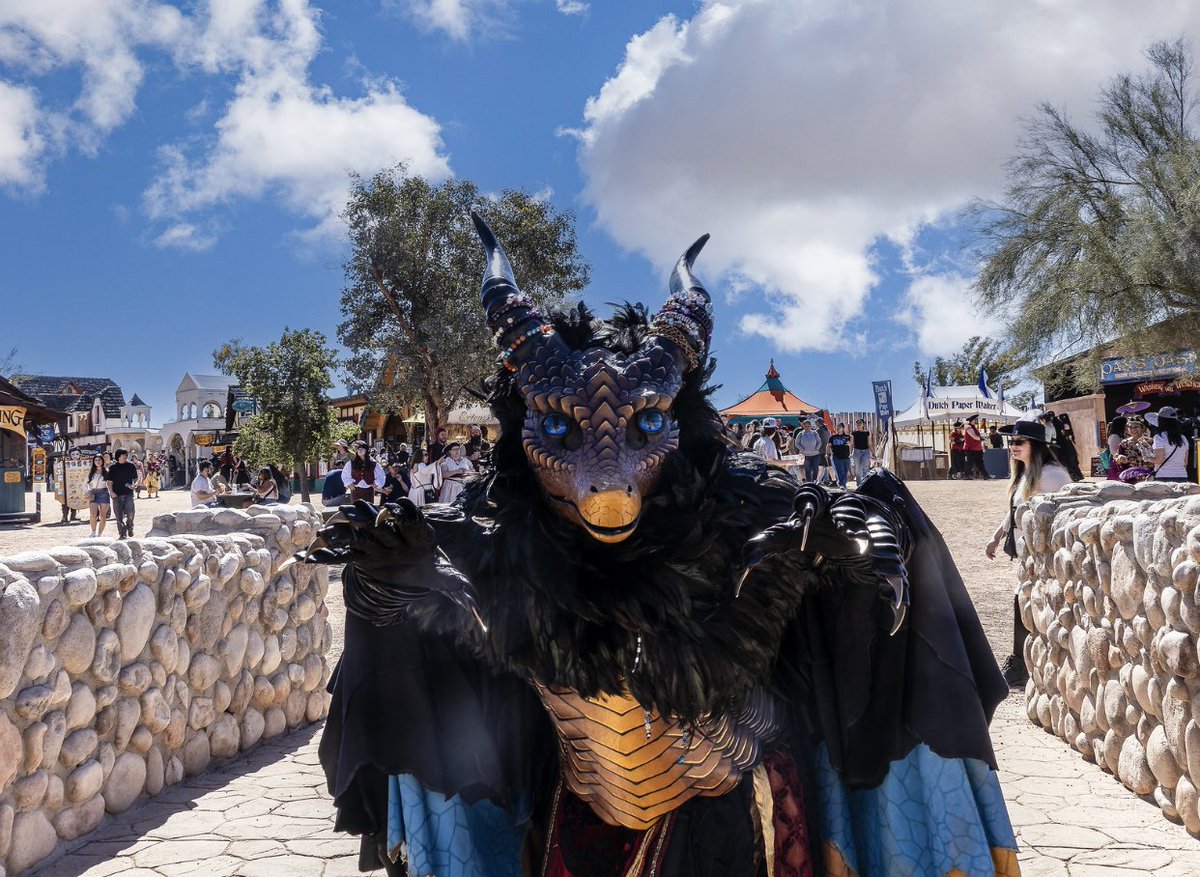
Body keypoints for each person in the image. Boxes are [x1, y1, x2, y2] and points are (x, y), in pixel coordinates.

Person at [312, 220, 1018, 875]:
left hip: (719, 817)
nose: (608, 481)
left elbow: (842, 548)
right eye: (562, 431)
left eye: (646, 421)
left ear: (674, 415)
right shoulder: (490, 531)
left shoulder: (742, 507)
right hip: (577, 819)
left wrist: (857, 544)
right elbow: (427, 625)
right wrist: (384, 579)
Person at [986, 419, 1072, 686]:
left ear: (1035, 446)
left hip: (1044, 555)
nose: (1012, 447)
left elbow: (1067, 513)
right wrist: (997, 536)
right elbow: (1015, 510)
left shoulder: (1052, 475)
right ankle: (1020, 664)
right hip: (1027, 554)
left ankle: (1020, 666)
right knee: (1022, 602)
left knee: (1029, 603)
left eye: (1018, 442)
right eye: (1011, 442)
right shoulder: (1027, 474)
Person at [1149, 406, 1190, 483]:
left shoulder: (1159, 437)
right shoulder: (1183, 438)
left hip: (1163, 476)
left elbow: (1159, 460)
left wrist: (1146, 458)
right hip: (1182, 476)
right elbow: (1185, 463)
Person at [106, 449, 139, 539]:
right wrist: (111, 492)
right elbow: (109, 482)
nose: (125, 456)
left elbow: (135, 478)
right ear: (118, 456)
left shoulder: (131, 466)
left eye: (126, 454)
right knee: (118, 515)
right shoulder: (113, 468)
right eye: (123, 455)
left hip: (128, 493)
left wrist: (135, 484)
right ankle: (122, 533)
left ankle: (130, 526)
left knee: (131, 512)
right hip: (116, 495)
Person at [86, 454, 110, 537]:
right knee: (93, 515)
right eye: (96, 460)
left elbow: (110, 483)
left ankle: (99, 534)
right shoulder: (91, 472)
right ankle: (93, 532)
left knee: (103, 515)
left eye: (99, 460)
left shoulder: (106, 471)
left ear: (102, 461)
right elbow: (85, 483)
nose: (97, 462)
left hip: (103, 492)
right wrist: (88, 491)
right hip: (93, 493)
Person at [793, 418, 823, 482]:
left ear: (810, 426)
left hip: (815, 454)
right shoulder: (801, 434)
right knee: (807, 470)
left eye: (808, 426)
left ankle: (815, 481)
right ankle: (809, 482)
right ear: (803, 426)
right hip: (805, 455)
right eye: (805, 426)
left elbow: (819, 441)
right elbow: (796, 443)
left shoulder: (815, 433)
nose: (807, 427)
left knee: (815, 469)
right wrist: (802, 448)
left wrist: (816, 448)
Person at [962, 414, 987, 479]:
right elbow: (974, 436)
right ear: (971, 420)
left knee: (980, 463)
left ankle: (985, 475)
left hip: (977, 448)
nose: (976, 420)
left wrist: (982, 438)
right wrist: (982, 438)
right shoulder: (968, 427)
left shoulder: (974, 427)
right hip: (971, 449)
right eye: (975, 419)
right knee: (969, 463)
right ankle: (966, 475)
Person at [828, 422, 852, 488]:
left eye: (840, 427)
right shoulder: (833, 437)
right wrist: (827, 454)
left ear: (843, 428)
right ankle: (842, 484)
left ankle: (843, 482)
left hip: (846, 456)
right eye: (837, 427)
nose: (838, 428)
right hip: (836, 456)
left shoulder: (847, 437)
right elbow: (829, 446)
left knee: (845, 471)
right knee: (840, 470)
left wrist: (849, 445)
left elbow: (851, 446)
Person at [851, 418, 872, 485]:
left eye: (860, 423)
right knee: (858, 469)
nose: (859, 424)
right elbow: (852, 444)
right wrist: (851, 453)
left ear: (863, 424)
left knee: (866, 468)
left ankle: (866, 484)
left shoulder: (867, 433)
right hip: (856, 451)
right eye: (857, 423)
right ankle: (859, 484)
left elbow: (869, 443)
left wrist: (873, 453)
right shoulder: (853, 433)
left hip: (865, 451)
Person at [1105, 416, 1128, 480]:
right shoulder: (1114, 437)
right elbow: (1114, 452)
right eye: (1126, 424)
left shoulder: (1122, 436)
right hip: (1118, 463)